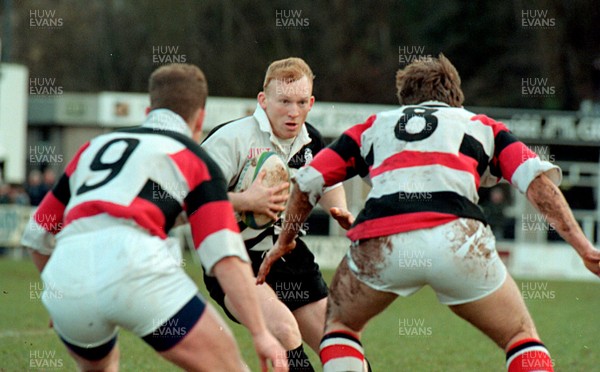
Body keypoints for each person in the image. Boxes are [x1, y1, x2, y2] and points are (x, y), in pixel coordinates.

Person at [257, 54, 600, 371]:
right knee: (520, 336)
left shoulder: (375, 125)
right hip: (459, 239)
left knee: (340, 327)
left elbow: (307, 183)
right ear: (455, 97)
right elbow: (538, 184)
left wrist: (285, 240)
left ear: (404, 100)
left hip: (382, 239)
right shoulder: (482, 125)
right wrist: (584, 247)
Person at [21, 63, 287, 372]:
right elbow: (225, 257)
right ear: (200, 117)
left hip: (66, 273)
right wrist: (260, 333)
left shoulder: (93, 147)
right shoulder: (195, 158)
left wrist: (64, 290)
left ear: (149, 109)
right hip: (136, 264)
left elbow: (37, 236)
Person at [201, 57, 349, 371]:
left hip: (289, 256)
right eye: (283, 101)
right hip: (234, 257)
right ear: (263, 100)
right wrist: (246, 200)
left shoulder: (312, 141)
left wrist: (341, 211)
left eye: (300, 102)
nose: (293, 112)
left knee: (339, 342)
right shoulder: (231, 139)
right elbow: (194, 201)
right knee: (282, 329)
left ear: (311, 102)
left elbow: (327, 180)